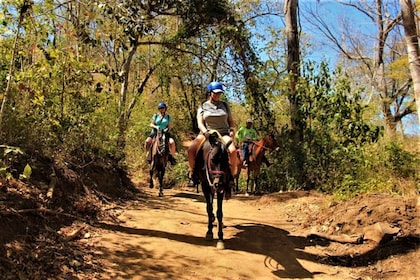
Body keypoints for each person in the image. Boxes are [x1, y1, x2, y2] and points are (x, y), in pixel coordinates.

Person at [187, 81, 237, 187]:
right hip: (207, 132)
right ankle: (192, 174)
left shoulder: (225, 106)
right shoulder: (203, 106)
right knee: (191, 149)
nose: (218, 95)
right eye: (216, 93)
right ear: (210, 92)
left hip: (223, 133)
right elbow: (200, 122)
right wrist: (205, 132)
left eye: (220, 93)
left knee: (232, 151)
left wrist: (232, 129)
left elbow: (231, 121)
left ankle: (231, 177)